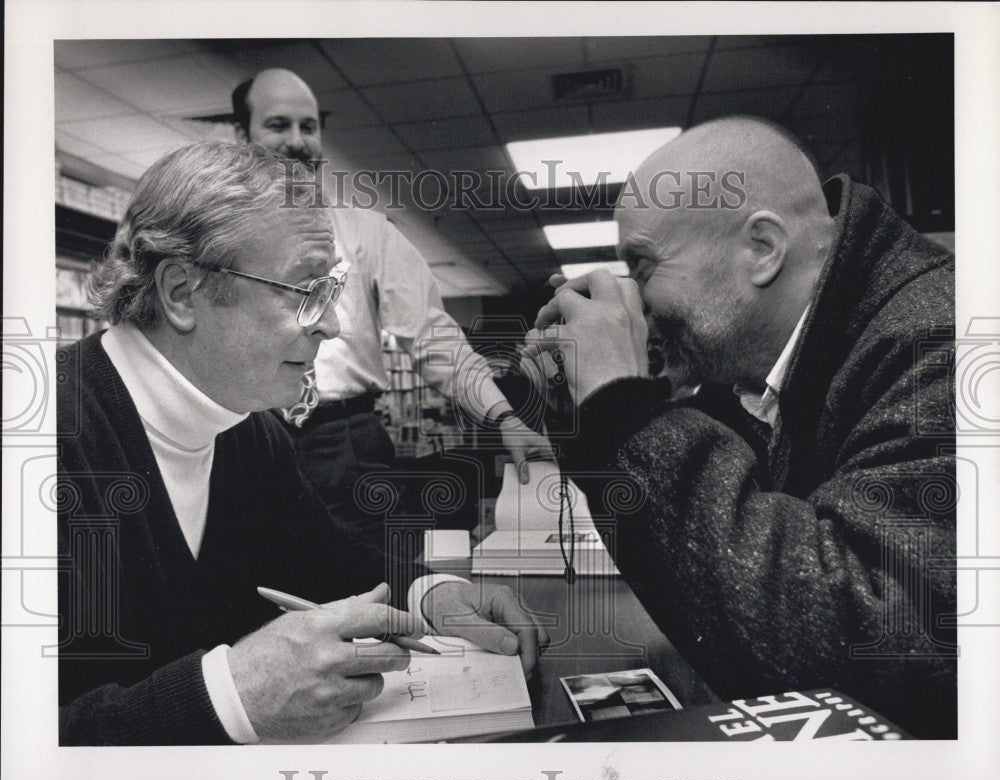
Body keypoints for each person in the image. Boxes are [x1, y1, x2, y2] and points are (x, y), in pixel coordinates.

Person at [57, 140, 547, 745]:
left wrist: (433, 596)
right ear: (182, 291)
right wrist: (232, 695)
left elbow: (321, 556)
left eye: (331, 291)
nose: (334, 325)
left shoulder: (251, 427)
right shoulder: (41, 445)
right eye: (303, 291)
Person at [525, 117, 956, 738]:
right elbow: (713, 583)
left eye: (642, 267)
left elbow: (867, 656)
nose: (637, 305)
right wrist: (588, 420)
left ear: (762, 248)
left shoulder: (938, 340)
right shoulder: (766, 373)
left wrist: (625, 412)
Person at [232, 68, 553, 539]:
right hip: (243, 435)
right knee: (253, 588)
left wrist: (501, 416)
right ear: (243, 136)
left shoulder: (365, 231)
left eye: (309, 126)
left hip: (345, 442)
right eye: (278, 125)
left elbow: (431, 333)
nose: (298, 141)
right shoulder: (214, 239)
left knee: (363, 587)